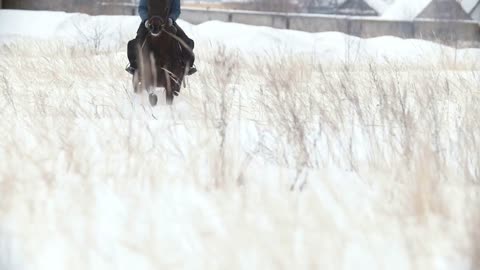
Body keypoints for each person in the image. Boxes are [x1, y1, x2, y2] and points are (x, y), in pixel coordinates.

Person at [126, 0, 197, 75]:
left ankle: (186, 66)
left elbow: (176, 10)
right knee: (135, 42)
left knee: (187, 41)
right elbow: (142, 8)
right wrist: (146, 20)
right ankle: (134, 66)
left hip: (168, 22)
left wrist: (171, 19)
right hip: (149, 22)